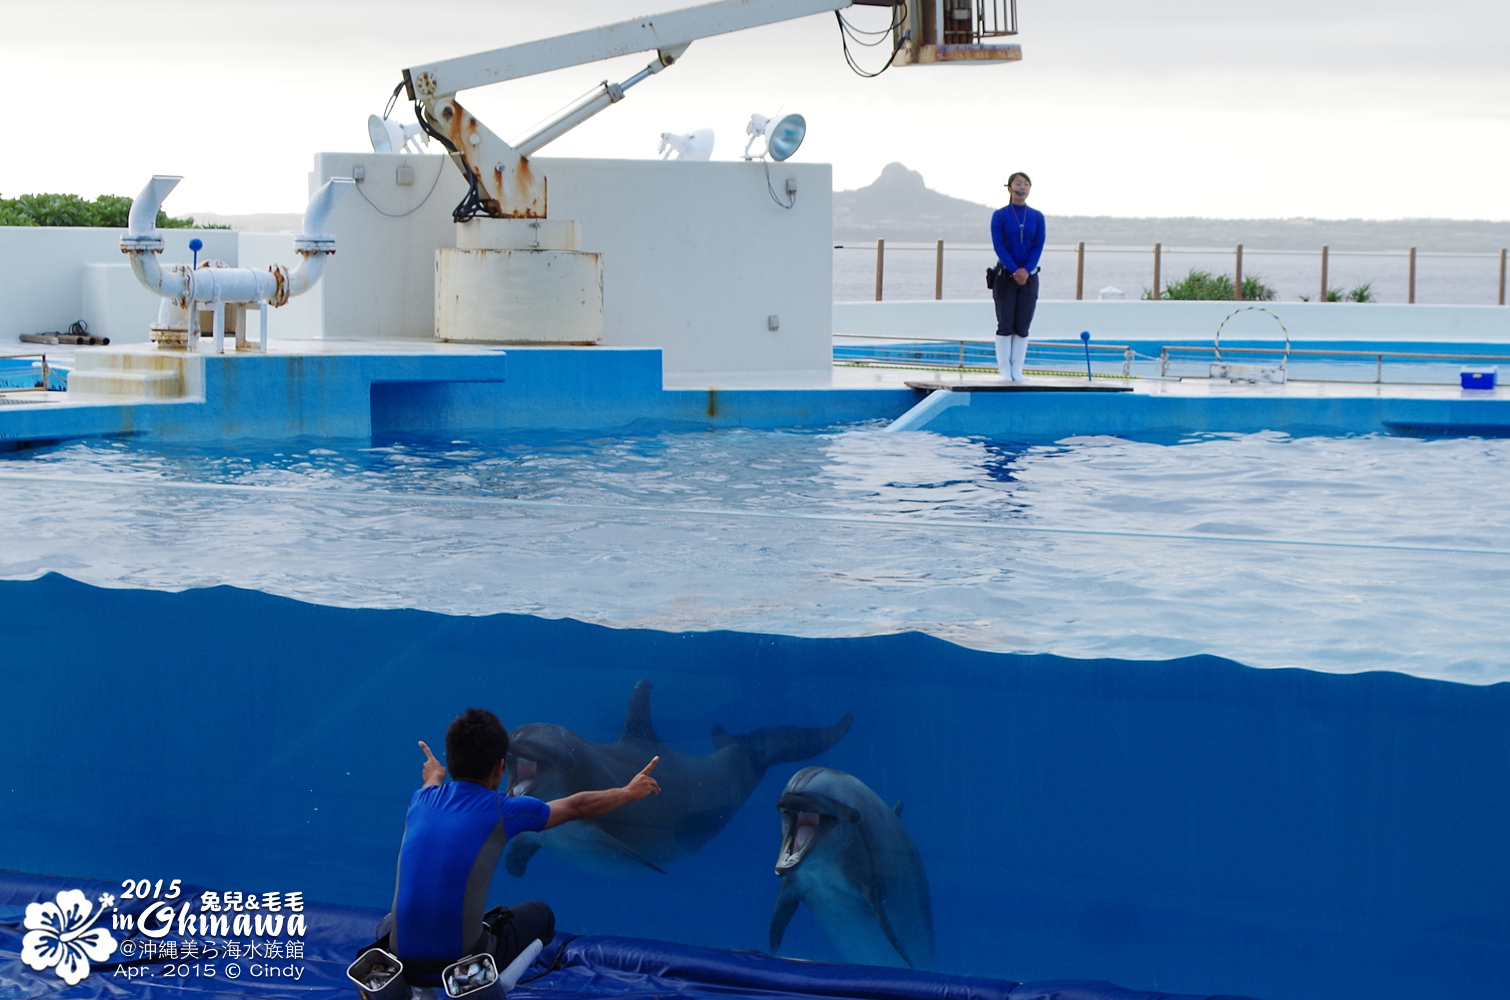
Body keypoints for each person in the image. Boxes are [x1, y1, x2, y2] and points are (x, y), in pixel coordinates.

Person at [374, 708, 660, 985]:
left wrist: (434, 773)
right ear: (500, 768)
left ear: (450, 761)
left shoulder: (420, 801)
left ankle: (420, 992)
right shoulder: (503, 810)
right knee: (541, 915)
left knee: (391, 922)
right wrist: (627, 792)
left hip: (400, 959)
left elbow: (431, 784)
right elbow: (577, 805)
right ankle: (490, 989)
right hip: (462, 968)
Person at [990, 172, 1046, 382]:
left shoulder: (1037, 217)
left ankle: (1018, 369)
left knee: (1022, 325)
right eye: (1018, 183)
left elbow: (1038, 245)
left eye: (1026, 184)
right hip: (1006, 276)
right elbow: (999, 245)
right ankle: (1004, 369)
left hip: (1029, 277)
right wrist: (1015, 270)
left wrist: (1026, 270)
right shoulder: (1000, 215)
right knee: (1005, 323)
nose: (1022, 187)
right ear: (1010, 188)